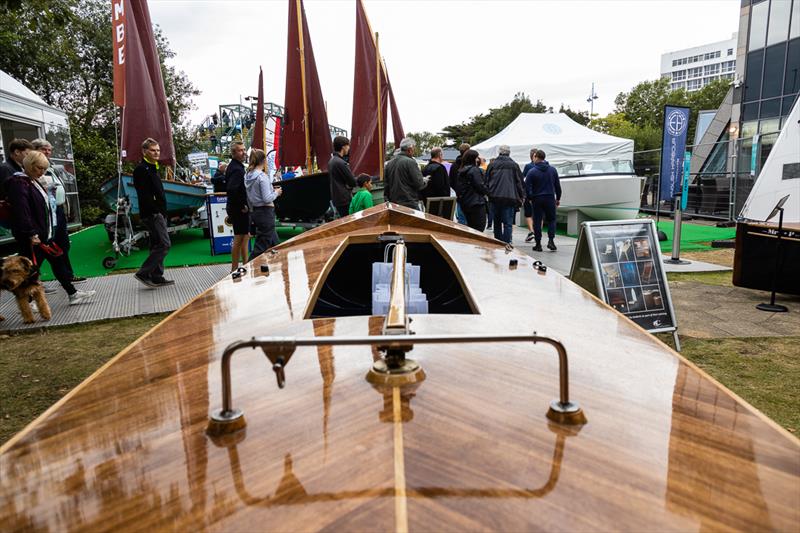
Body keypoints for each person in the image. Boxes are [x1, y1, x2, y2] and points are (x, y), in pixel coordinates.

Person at [6, 151, 95, 305]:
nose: (43, 172)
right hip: (33, 235)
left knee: (56, 260)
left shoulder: (32, 181)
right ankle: (27, 300)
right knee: (30, 268)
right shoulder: (19, 182)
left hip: (43, 233)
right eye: (40, 168)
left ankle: (72, 293)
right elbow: (22, 209)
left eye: (44, 168)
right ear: (31, 166)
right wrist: (31, 233)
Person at [32, 139, 85, 284]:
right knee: (46, 249)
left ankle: (68, 275)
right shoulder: (34, 169)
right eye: (44, 149)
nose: (48, 152)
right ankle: (34, 280)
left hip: (58, 210)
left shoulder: (51, 167)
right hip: (47, 214)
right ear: (35, 150)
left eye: (49, 150)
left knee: (63, 244)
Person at [132, 138, 174, 287]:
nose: (156, 153)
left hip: (158, 213)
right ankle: (143, 273)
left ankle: (156, 276)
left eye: (158, 150)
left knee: (157, 244)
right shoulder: (142, 169)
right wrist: (156, 212)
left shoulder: (152, 167)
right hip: (152, 214)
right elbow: (144, 195)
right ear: (145, 151)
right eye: (153, 150)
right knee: (164, 244)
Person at [244, 149, 282, 261]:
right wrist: (276, 193)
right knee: (261, 246)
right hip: (266, 213)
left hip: (257, 212)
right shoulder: (262, 177)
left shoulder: (248, 176)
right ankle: (248, 268)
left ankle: (277, 265)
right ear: (264, 160)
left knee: (275, 244)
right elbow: (267, 198)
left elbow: (249, 198)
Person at [485, 145, 525, 243]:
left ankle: (498, 243)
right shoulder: (514, 165)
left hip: (494, 197)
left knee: (497, 222)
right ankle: (506, 243)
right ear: (509, 153)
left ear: (499, 152)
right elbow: (519, 182)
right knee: (508, 223)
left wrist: (488, 194)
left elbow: (486, 181)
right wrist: (521, 196)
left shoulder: (492, 164)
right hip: (509, 197)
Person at [525, 149, 562, 252]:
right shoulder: (552, 170)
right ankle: (551, 241)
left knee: (537, 220)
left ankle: (538, 244)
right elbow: (557, 186)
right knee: (552, 220)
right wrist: (558, 198)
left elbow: (527, 188)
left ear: (536, 157)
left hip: (537, 198)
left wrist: (530, 198)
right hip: (550, 197)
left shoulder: (532, 171)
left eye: (534, 157)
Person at [226, 141, 250, 271]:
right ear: (234, 153)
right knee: (239, 238)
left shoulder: (237, 166)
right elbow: (232, 189)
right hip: (238, 209)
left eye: (244, 149)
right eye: (240, 150)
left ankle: (245, 264)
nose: (244, 152)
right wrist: (242, 205)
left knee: (245, 237)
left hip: (238, 208)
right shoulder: (236, 169)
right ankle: (234, 268)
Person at [384, 137, 425, 210]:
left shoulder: (389, 164)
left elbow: (386, 186)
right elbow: (419, 184)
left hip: (394, 204)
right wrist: (425, 181)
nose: (414, 151)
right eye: (413, 149)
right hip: (409, 204)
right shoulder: (410, 162)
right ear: (410, 150)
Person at [455, 149, 489, 231]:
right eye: (477, 157)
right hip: (476, 202)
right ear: (473, 158)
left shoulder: (462, 170)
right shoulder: (474, 170)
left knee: (470, 227)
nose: (478, 159)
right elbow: (480, 185)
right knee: (479, 228)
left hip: (466, 202)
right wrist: (487, 191)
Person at [328, 136, 357, 217]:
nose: (349, 148)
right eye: (348, 145)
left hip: (337, 198)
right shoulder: (341, 163)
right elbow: (352, 182)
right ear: (343, 147)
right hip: (344, 199)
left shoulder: (331, 161)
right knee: (350, 223)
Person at [448, 143, 470, 224]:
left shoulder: (454, 165)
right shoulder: (469, 164)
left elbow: (451, 181)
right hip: (469, 195)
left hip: (459, 194)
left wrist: (457, 189)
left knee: (461, 218)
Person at [521, 148, 538, 242]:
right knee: (539, 214)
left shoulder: (528, 166)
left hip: (529, 193)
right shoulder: (546, 165)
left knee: (528, 214)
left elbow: (523, 179)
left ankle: (532, 231)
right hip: (539, 194)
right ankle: (537, 232)